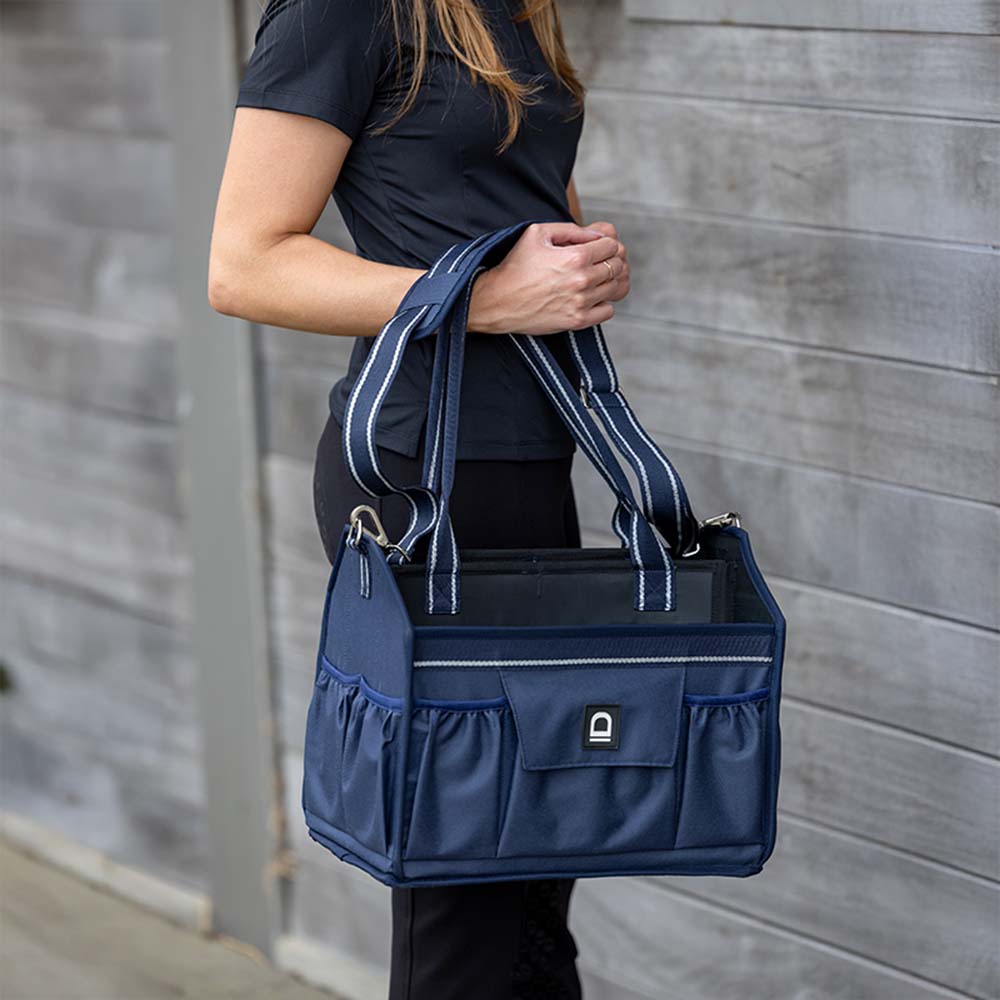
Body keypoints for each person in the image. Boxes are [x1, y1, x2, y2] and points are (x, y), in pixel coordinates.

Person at [208, 0, 631, 996]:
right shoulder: (340, 11)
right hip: (421, 483)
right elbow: (243, 264)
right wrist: (480, 297)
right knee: (466, 886)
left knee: (534, 869)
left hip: (529, 460)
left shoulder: (514, 10)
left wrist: (579, 264)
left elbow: (506, 219)